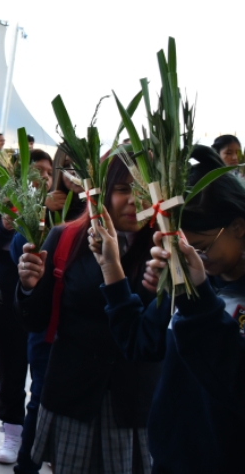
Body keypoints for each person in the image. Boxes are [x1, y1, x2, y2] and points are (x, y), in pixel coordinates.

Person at [99, 145, 245, 473]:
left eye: (203, 249)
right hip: (171, 459)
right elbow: (141, 343)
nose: (199, 260)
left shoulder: (200, 289)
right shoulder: (192, 280)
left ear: (239, 227)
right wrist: (112, 268)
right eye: (186, 249)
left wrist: (199, 302)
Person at [16, 152, 160, 474]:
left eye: (143, 189)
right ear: (102, 191)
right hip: (74, 395)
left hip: (136, 403)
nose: (134, 200)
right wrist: (28, 286)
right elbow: (35, 321)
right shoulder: (66, 238)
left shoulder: (166, 248)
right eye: (123, 188)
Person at [0, 149, 52, 465]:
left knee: (44, 372)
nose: (43, 178)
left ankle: (43, 436)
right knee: (10, 369)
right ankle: (12, 431)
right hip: (5, 305)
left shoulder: (64, 211)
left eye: (49, 172)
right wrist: (3, 228)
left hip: (46, 306)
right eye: (36, 172)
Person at [12, 147, 83, 474]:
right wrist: (41, 214)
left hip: (82, 330)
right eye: (66, 167)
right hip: (48, 324)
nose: (72, 175)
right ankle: (26, 464)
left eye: (79, 168)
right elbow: (18, 250)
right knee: (41, 398)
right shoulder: (41, 209)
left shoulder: (94, 212)